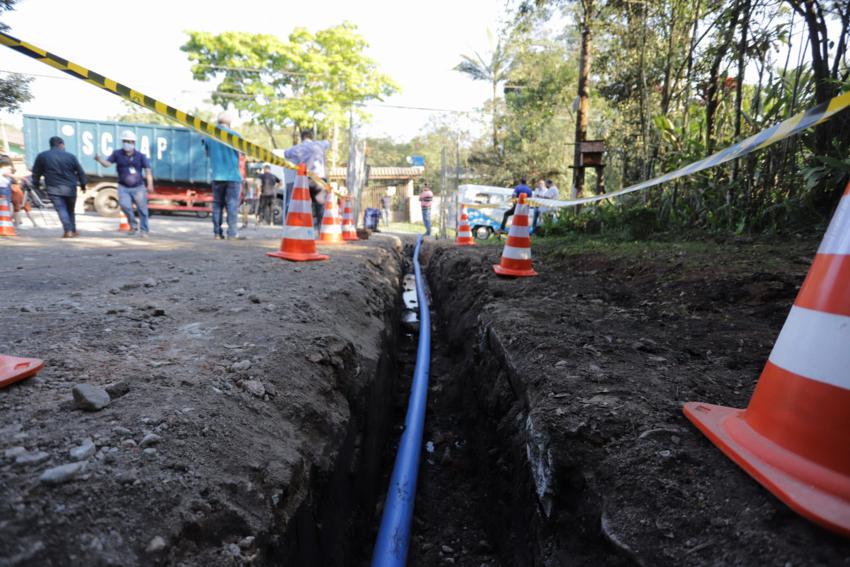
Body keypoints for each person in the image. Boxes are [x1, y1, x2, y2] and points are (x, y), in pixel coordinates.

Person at [95, 131, 153, 237]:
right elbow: (107, 164)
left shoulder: (140, 156)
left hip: (138, 187)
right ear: (123, 142)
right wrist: (100, 160)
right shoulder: (117, 154)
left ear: (134, 143)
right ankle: (133, 226)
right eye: (125, 141)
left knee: (142, 209)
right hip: (123, 187)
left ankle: (144, 230)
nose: (127, 143)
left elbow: (148, 170)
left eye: (130, 141)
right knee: (125, 206)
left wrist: (150, 184)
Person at [30, 137, 87, 238]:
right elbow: (80, 172)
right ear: (61, 144)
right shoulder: (71, 156)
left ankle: (69, 230)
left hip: (53, 188)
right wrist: (83, 185)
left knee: (61, 209)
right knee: (70, 210)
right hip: (70, 188)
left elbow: (36, 173)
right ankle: (71, 230)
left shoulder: (42, 156)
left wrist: (36, 185)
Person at [203, 112, 244, 240]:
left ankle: (217, 233)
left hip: (217, 176)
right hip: (233, 177)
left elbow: (207, 154)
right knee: (232, 205)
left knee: (217, 205)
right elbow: (242, 153)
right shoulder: (235, 136)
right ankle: (232, 233)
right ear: (229, 123)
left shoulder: (209, 136)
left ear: (218, 122)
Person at [284, 130, 330, 235]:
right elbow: (327, 143)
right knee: (320, 206)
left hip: (304, 180)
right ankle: (320, 231)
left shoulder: (297, 148)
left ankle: (299, 231)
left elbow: (286, 153)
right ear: (312, 137)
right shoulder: (319, 145)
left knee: (302, 206)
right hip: (319, 180)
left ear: (302, 137)